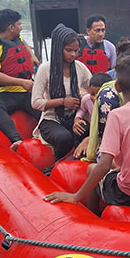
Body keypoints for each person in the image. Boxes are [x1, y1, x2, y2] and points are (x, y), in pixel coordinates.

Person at [44, 55, 130, 214]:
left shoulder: (117, 115)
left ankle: (93, 215)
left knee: (92, 168)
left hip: (129, 194)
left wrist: (75, 196)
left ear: (117, 86)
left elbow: (104, 165)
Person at [0, 9, 41, 151]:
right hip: (6, 93)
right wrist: (22, 82)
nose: (21, 27)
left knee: (45, 106)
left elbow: (23, 42)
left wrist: (32, 56)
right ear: (11, 27)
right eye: (19, 24)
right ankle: (16, 140)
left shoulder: (16, 38)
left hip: (26, 92)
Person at [32, 24, 92, 160]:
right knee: (64, 137)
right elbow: (35, 102)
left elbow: (93, 86)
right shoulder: (45, 69)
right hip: (51, 118)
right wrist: (63, 102)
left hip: (73, 118)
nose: (73, 54)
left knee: (90, 132)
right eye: (69, 50)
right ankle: (57, 165)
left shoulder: (80, 68)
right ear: (58, 48)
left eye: (76, 51)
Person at [73, 72, 112, 138]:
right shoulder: (87, 99)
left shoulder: (112, 103)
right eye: (92, 94)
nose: (94, 98)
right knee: (80, 128)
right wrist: (77, 120)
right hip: (92, 128)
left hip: (107, 131)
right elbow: (82, 110)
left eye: (99, 94)